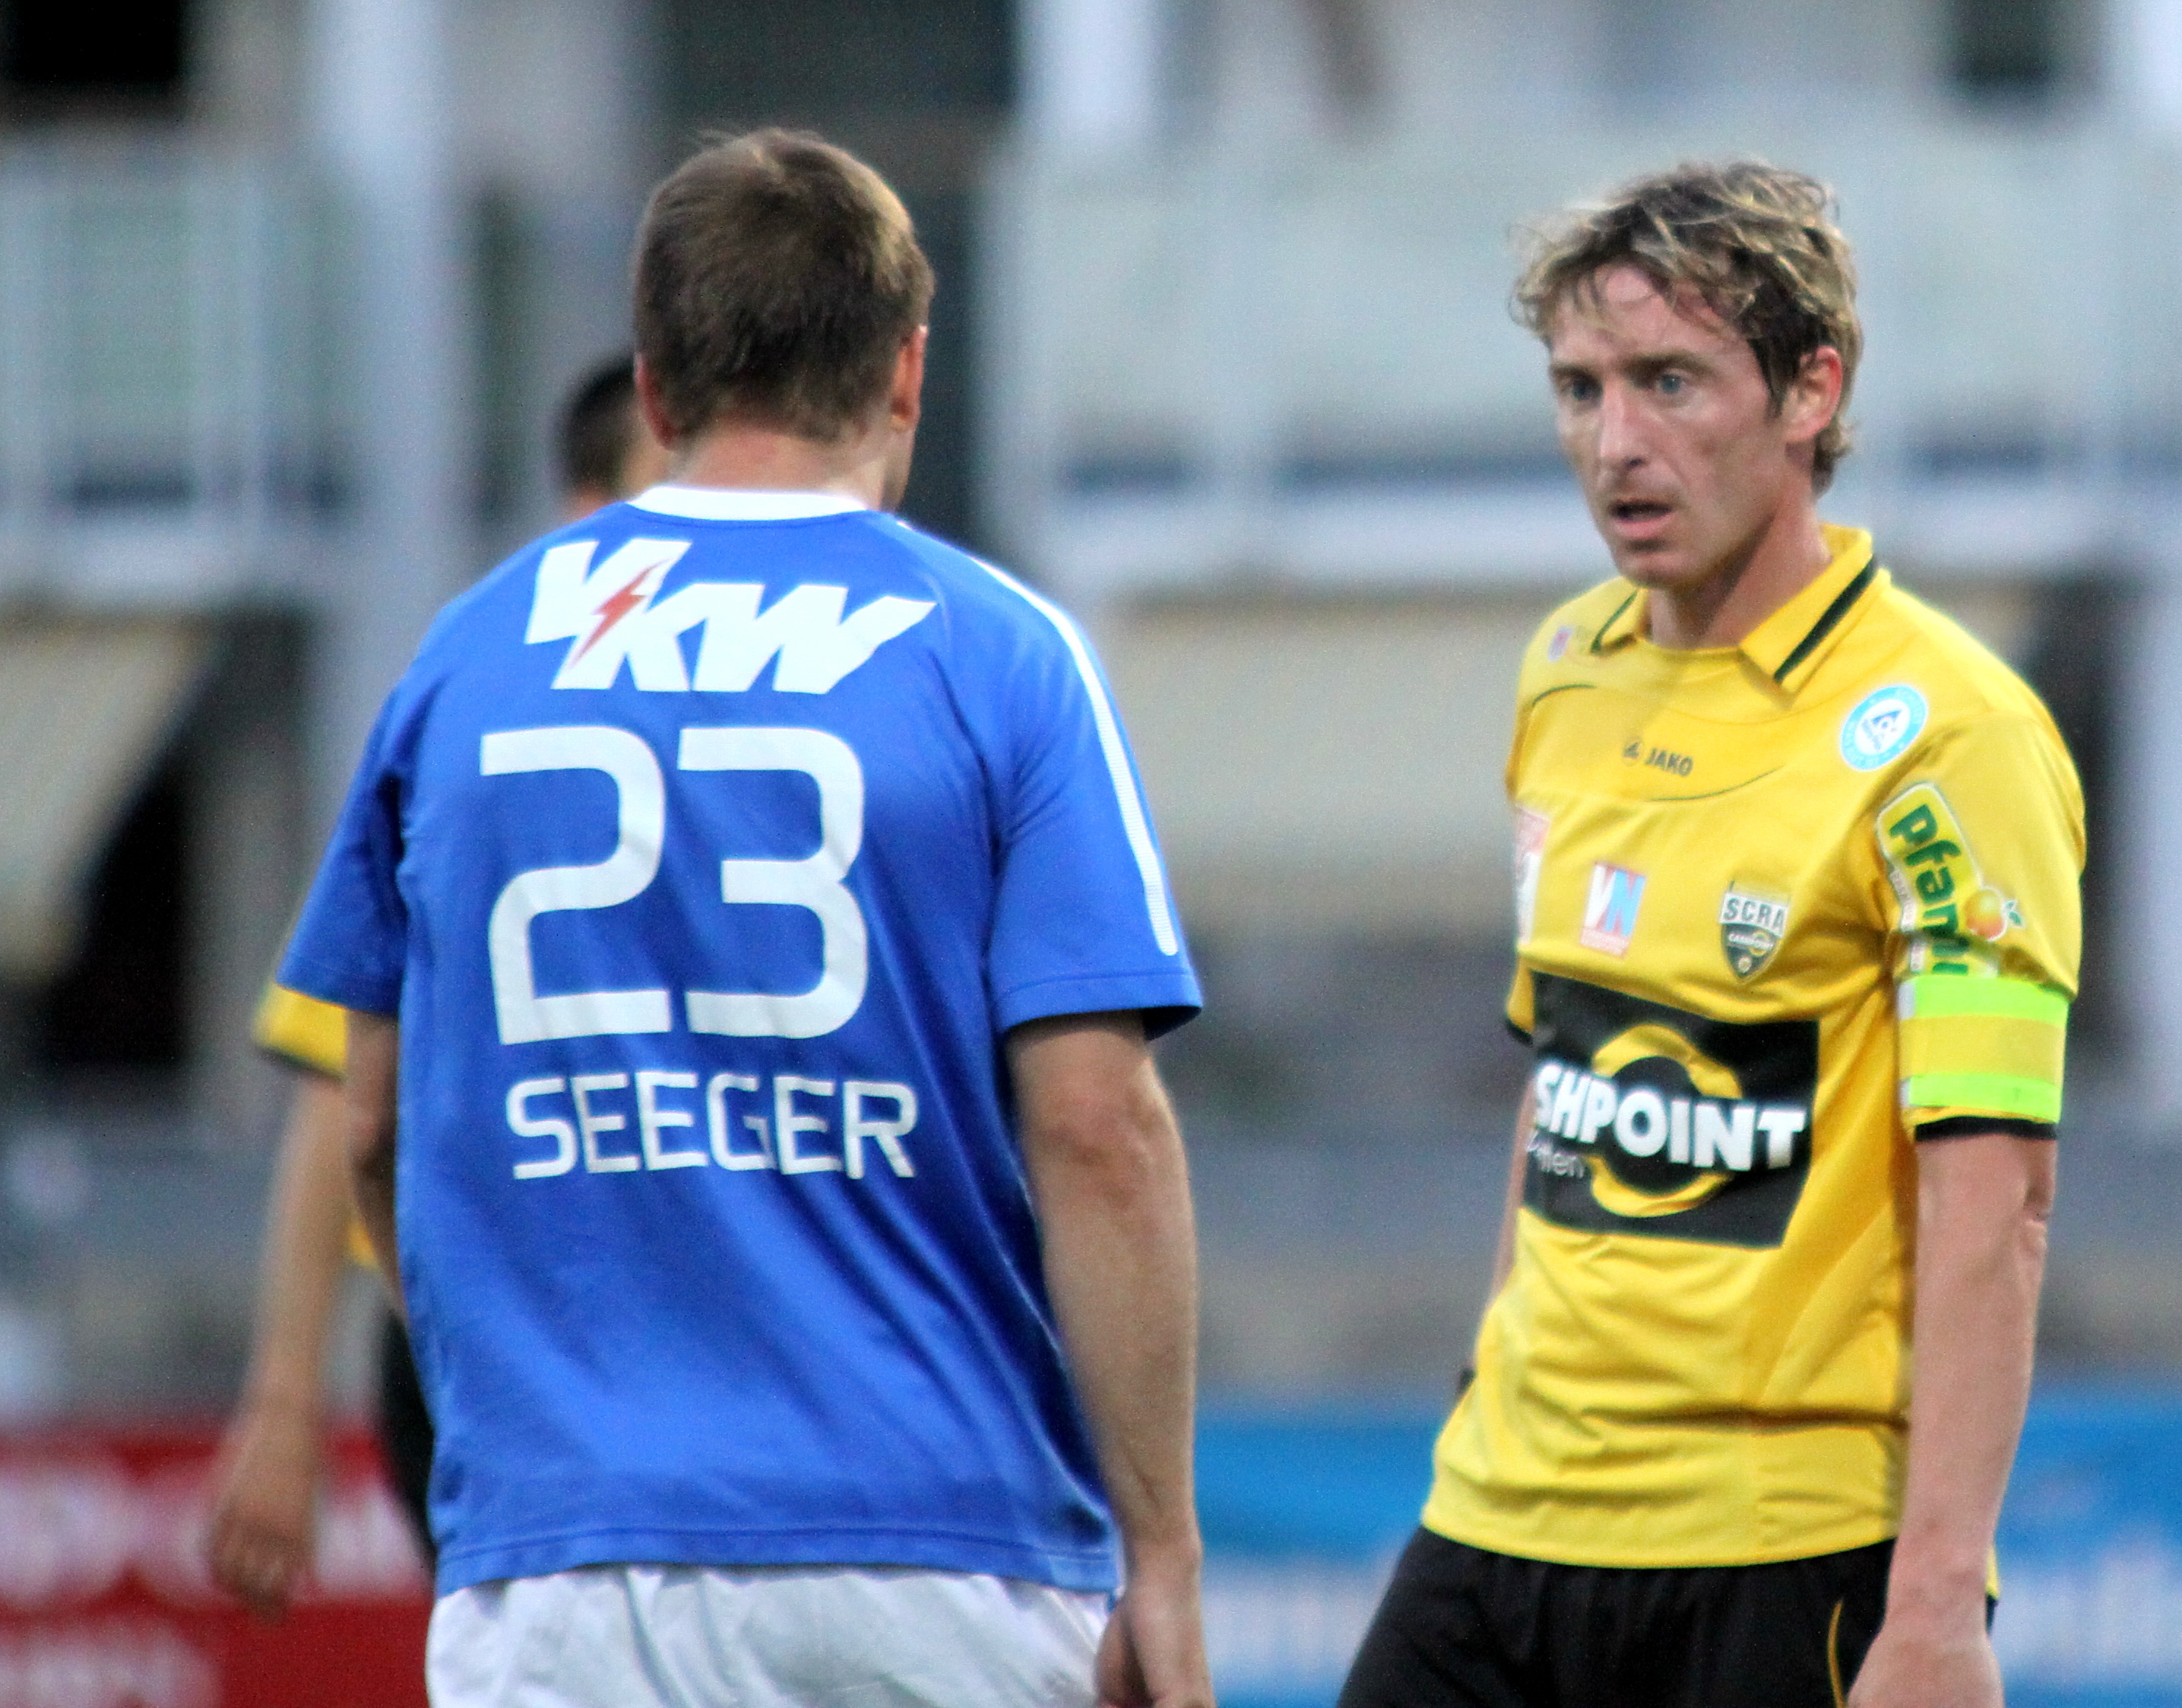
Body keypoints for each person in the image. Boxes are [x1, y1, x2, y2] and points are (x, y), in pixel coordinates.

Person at [275, 130, 1213, 1708]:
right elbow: (1098, 1128)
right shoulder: (1001, 655)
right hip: (938, 1553)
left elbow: (370, 1123)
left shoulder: (463, 660)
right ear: (907, 371)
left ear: (654, 390)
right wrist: (1164, 1549)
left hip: (561, 1567)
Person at [1340, 163, 2081, 1708]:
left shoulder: (1951, 735)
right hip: (1498, 1515)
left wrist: (1936, 1605)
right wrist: (1485, 1384)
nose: (1615, 442)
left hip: (1779, 1547)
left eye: (1668, 382)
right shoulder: (1565, 669)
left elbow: (1995, 1200)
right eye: (1580, 387)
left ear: (1811, 391)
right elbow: (1563, 1072)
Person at [206, 353, 669, 1618]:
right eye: (668, 484)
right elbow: (343, 1099)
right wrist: (285, 1404)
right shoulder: (473, 717)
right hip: (486, 1319)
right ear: (585, 511)